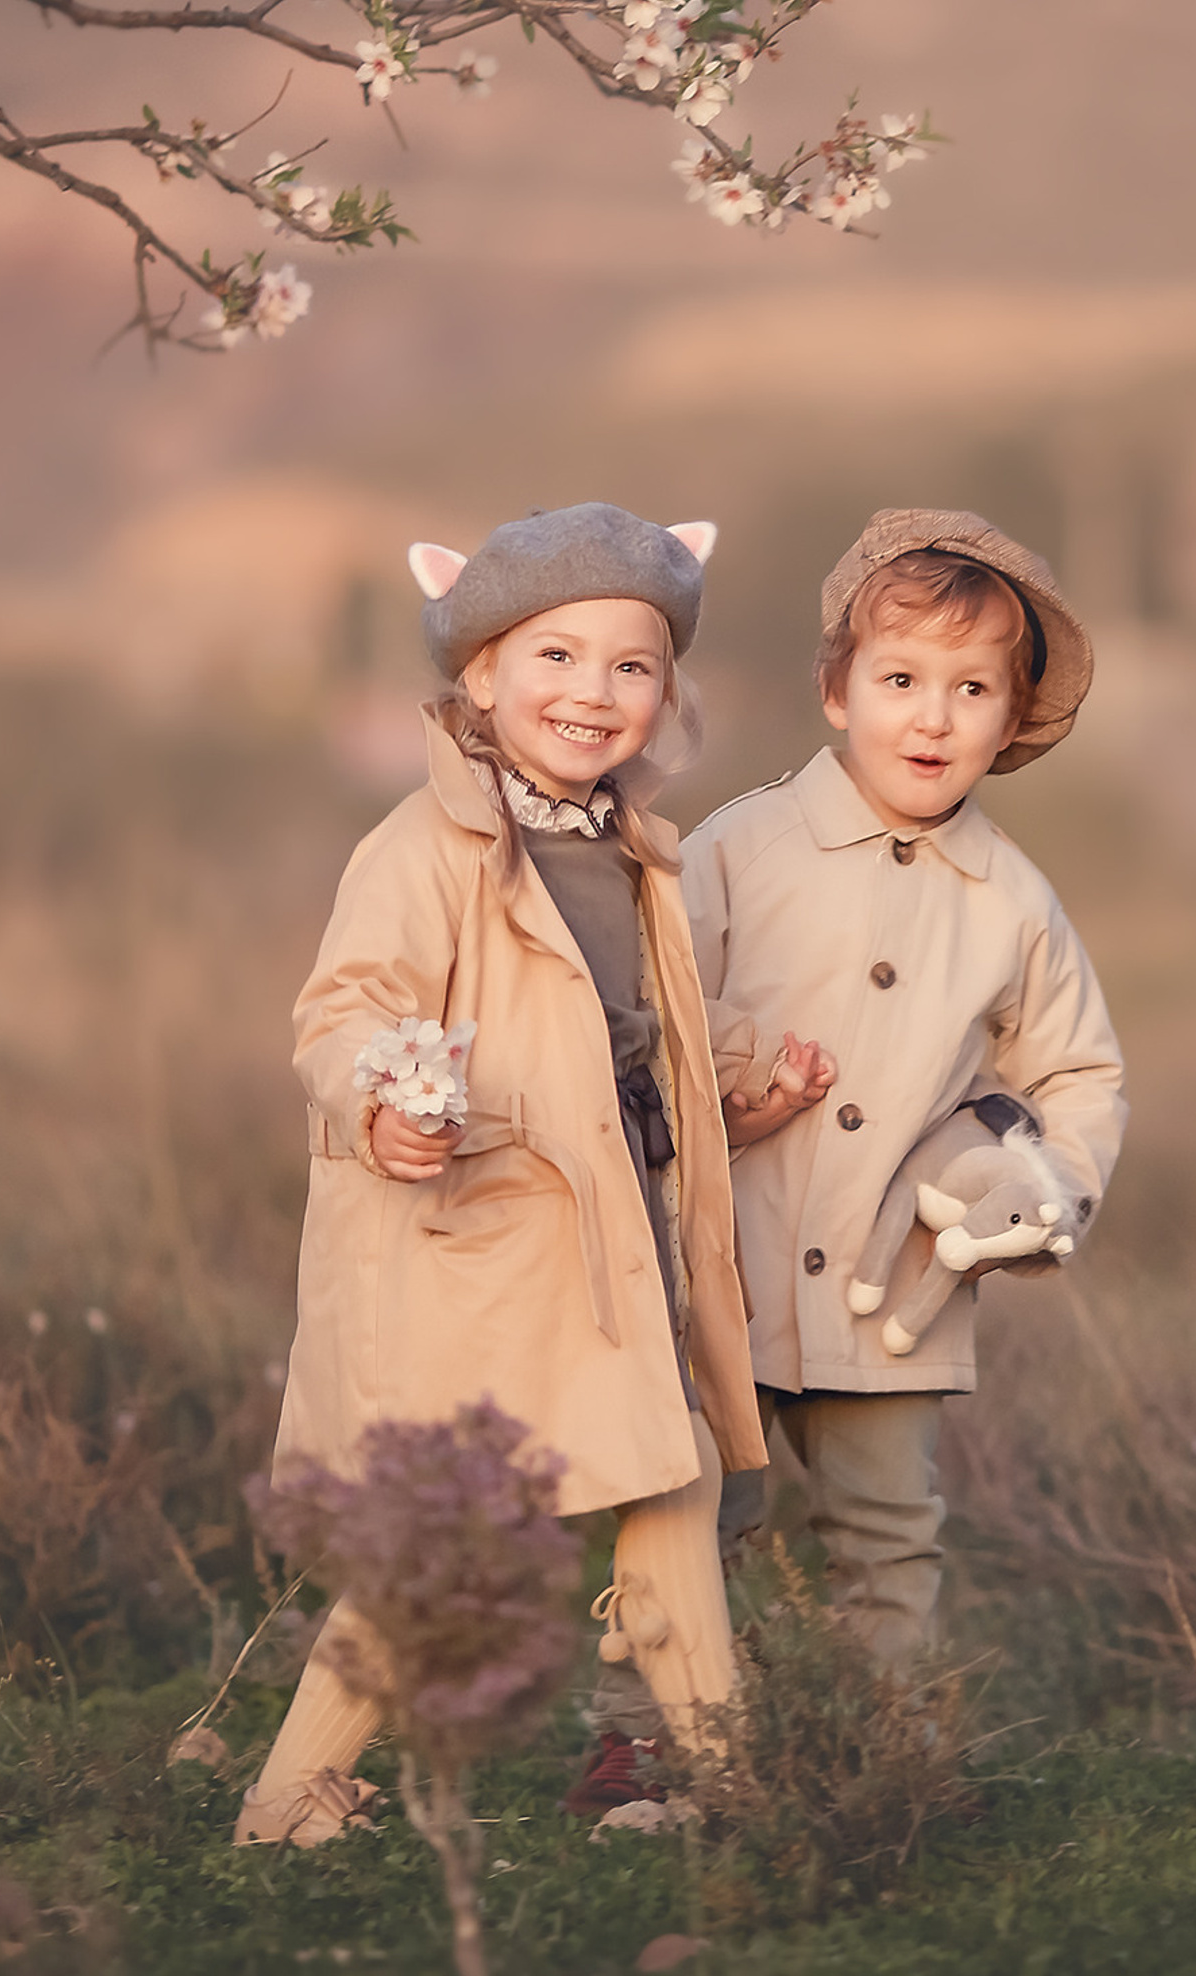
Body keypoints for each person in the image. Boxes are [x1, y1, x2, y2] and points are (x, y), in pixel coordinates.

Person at [236, 502, 831, 1846]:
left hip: (618, 1238)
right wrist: (384, 1101)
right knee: (446, 1540)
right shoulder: (424, 848)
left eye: (630, 666)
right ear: (481, 676)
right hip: (488, 1245)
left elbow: (645, 1028)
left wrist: (746, 1075)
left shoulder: (632, 847)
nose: (593, 693)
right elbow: (339, 1017)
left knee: (666, 1484)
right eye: (555, 658)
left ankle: (728, 1787)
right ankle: (284, 1800)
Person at [681, 509, 1129, 1667]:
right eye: (899, 678)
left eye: (971, 688)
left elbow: (1079, 1073)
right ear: (837, 692)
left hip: (893, 1294)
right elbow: (653, 1018)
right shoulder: (737, 849)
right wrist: (737, 1072)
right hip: (717, 1273)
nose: (932, 716)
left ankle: (892, 1748)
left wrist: (1036, 1185)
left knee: (889, 1535)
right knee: (688, 1523)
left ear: (1011, 715)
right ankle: (653, 1739)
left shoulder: (1010, 899)